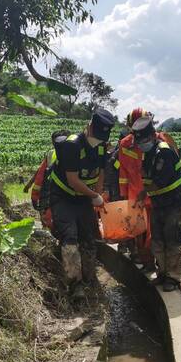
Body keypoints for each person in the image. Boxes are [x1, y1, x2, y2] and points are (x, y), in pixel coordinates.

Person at [50, 108, 115, 300]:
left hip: (83, 197)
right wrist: (94, 195)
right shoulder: (72, 145)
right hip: (63, 196)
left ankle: (89, 277)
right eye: (96, 135)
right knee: (70, 238)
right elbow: (73, 180)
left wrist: (98, 192)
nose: (98, 140)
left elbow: (101, 171)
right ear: (88, 127)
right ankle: (75, 286)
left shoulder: (102, 146)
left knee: (89, 237)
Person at [132, 116, 181, 292]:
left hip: (176, 203)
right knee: (157, 241)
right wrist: (142, 193)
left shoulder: (163, 152)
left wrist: (143, 192)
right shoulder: (148, 154)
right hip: (160, 203)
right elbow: (148, 180)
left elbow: (158, 181)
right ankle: (163, 273)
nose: (141, 144)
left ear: (152, 136)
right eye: (139, 141)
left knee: (173, 241)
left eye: (143, 140)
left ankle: (173, 278)